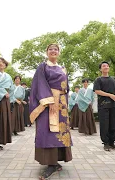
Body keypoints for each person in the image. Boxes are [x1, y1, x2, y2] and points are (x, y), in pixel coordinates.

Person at [30, 44, 72, 180]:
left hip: (62, 103)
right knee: (47, 130)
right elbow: (39, 83)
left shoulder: (63, 68)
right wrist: (49, 101)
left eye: (56, 49)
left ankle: (58, 160)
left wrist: (64, 101)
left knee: (61, 131)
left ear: (59, 52)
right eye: (50, 49)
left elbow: (66, 87)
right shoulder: (43, 67)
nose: (53, 51)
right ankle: (51, 163)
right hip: (48, 103)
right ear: (46, 52)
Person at [93, 61, 115, 151]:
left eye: (107, 66)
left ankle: (112, 142)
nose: (106, 67)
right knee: (104, 124)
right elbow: (97, 91)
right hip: (103, 105)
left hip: (113, 105)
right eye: (104, 66)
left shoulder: (113, 79)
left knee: (113, 124)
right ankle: (106, 143)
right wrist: (110, 95)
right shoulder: (98, 80)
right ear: (100, 69)